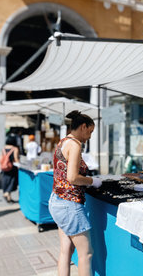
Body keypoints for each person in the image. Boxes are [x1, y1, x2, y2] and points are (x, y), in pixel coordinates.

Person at [48, 110, 102, 276]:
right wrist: (93, 181)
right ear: (83, 126)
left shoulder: (63, 142)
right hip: (69, 205)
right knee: (86, 253)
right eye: (90, 131)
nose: (90, 136)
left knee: (66, 250)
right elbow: (72, 177)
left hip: (56, 200)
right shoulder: (76, 145)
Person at [1, 135, 20, 203]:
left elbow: (2, 158)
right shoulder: (15, 148)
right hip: (12, 167)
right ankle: (7, 193)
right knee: (12, 181)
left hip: (4, 167)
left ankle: (8, 197)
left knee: (6, 180)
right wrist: (19, 165)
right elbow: (16, 158)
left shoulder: (3, 148)